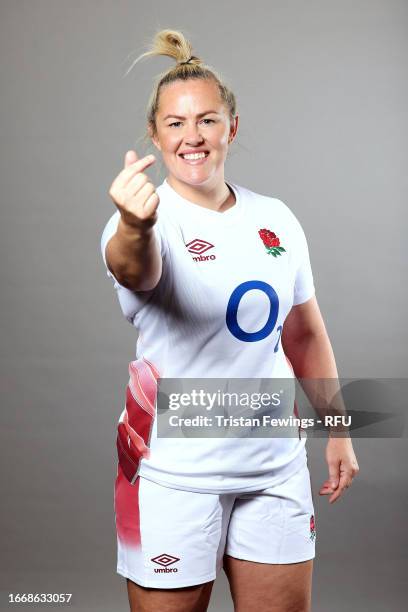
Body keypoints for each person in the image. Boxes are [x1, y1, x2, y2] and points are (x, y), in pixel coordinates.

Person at [100, 29, 359, 612]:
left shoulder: (277, 219)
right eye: (175, 123)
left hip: (274, 469)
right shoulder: (144, 223)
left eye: (208, 120)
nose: (193, 136)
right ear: (155, 135)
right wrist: (134, 227)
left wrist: (338, 427)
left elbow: (304, 334)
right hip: (171, 475)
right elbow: (134, 268)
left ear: (231, 128)